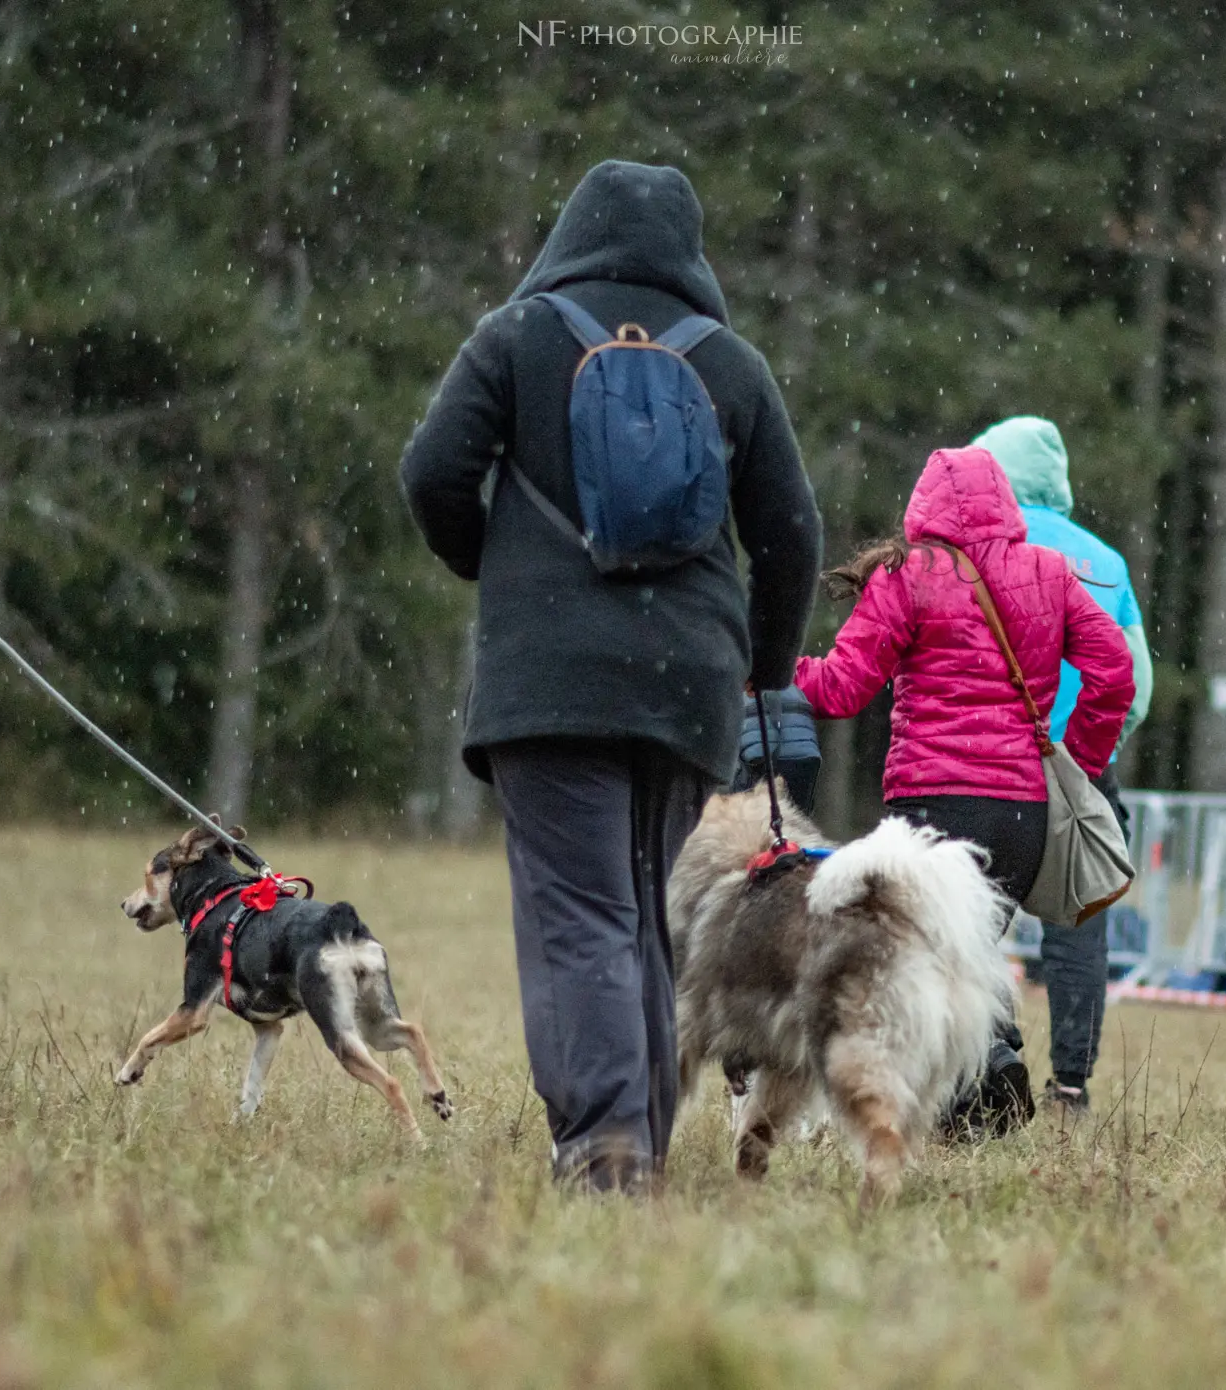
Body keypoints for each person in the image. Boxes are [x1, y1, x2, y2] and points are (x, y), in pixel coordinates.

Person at [400, 160, 821, 1190]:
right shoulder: (731, 365)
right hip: (687, 683)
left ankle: (603, 1148)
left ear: (572, 229)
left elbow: (430, 473)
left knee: (579, 910)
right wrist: (760, 666)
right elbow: (792, 536)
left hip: (549, 681)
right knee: (637, 911)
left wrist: (490, 565)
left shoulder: (514, 336)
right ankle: (640, 1139)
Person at [792, 443, 1131, 1133]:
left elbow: (841, 688)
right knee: (963, 953)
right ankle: (975, 1091)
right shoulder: (1050, 571)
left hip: (934, 809)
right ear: (1005, 502)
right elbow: (1115, 672)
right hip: (1022, 816)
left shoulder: (909, 574)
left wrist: (775, 676)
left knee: (920, 963)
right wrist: (1084, 756)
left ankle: (984, 1069)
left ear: (925, 506)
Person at [971, 416, 1153, 1117]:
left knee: (971, 921)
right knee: (1080, 926)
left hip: (989, 760)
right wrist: (1089, 748)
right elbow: (1136, 681)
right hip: (1080, 766)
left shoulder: (976, 546)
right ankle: (1070, 1086)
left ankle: (990, 1056)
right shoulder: (1106, 562)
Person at [731, 686, 821, 815]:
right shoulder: (793, 687)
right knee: (797, 814)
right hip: (802, 758)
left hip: (760, 761)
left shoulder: (739, 686)